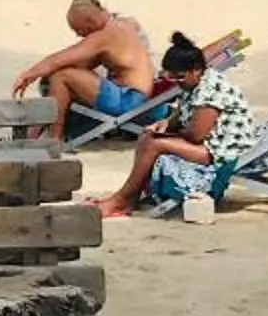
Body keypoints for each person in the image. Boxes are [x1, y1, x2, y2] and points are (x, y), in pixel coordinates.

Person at [99, 33, 259, 217]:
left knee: (153, 144)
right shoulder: (192, 84)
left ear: (196, 70)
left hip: (223, 151)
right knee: (147, 137)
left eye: (180, 77)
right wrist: (165, 123)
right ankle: (128, 198)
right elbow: (183, 111)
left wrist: (166, 136)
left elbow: (196, 135)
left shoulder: (209, 90)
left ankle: (122, 200)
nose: (175, 81)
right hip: (212, 143)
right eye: (170, 77)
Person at [11, 0, 155, 138]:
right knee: (63, 75)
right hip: (134, 95)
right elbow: (78, 63)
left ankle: (54, 138)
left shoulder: (105, 36)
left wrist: (28, 75)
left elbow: (60, 58)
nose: (78, 35)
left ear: (91, 22)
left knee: (62, 77)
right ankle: (38, 132)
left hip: (129, 99)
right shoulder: (120, 24)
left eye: (78, 30)